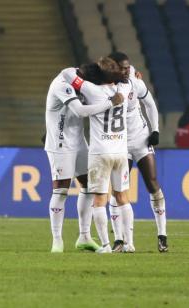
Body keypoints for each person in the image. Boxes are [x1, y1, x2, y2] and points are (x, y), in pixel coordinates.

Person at [44, 62, 123, 253]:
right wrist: (110, 102)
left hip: (79, 142)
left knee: (89, 185)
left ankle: (84, 236)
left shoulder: (78, 75)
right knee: (61, 191)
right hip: (60, 143)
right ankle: (57, 241)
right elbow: (79, 111)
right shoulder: (63, 84)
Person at [63, 57, 131, 254]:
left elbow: (68, 74)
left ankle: (106, 246)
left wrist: (84, 71)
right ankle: (128, 243)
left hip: (101, 153)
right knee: (122, 198)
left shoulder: (92, 90)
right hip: (120, 152)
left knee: (99, 201)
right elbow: (128, 76)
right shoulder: (124, 89)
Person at [106, 52, 168, 253]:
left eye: (128, 67)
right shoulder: (103, 85)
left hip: (140, 139)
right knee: (118, 191)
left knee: (152, 183)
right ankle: (120, 240)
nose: (126, 71)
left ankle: (162, 236)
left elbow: (150, 104)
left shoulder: (135, 82)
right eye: (122, 68)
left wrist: (155, 129)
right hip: (119, 143)